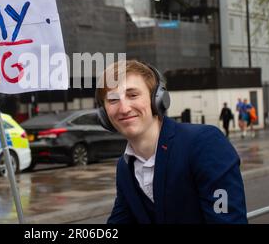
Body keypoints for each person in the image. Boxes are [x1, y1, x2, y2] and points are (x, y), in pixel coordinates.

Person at [95, 60, 247, 224]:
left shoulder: (204, 143)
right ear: (104, 114)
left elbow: (227, 219)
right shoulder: (125, 167)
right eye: (113, 100)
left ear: (157, 100)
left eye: (133, 95)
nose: (124, 108)